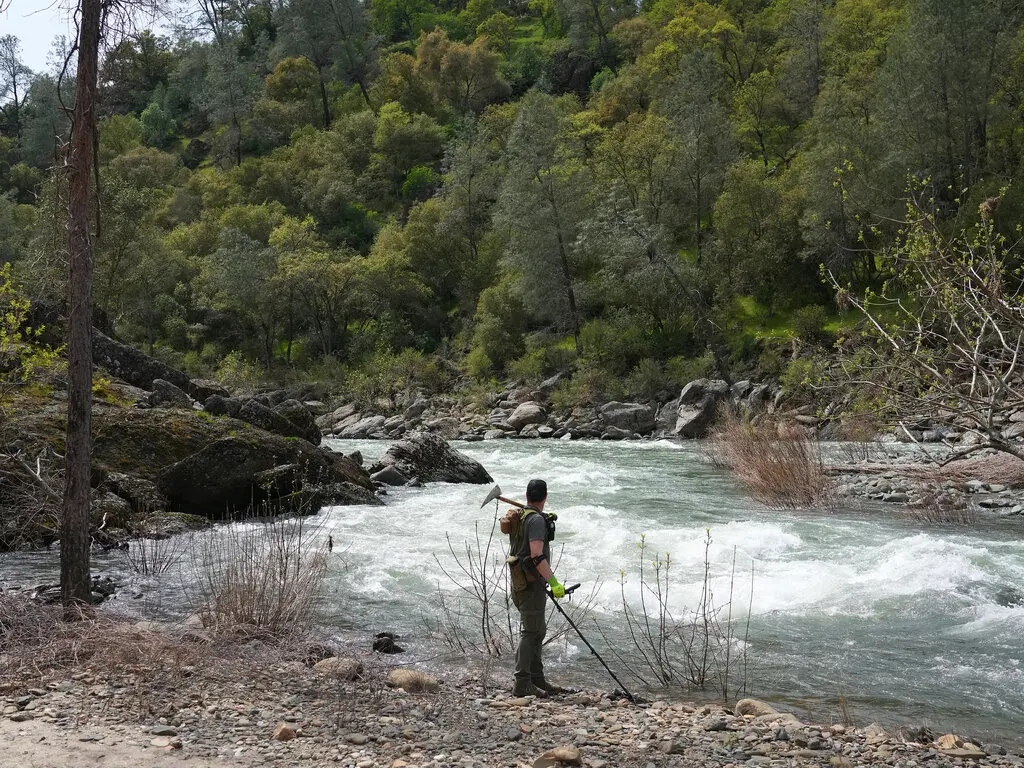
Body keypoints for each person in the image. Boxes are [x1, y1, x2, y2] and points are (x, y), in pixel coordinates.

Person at [507, 478, 572, 697]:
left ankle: (537, 679)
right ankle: (522, 683)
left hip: (519, 583)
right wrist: (554, 583)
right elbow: (536, 555)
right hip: (531, 584)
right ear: (545, 497)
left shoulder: (522, 516)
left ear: (527, 496)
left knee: (538, 631)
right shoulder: (535, 520)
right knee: (531, 632)